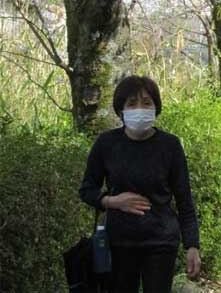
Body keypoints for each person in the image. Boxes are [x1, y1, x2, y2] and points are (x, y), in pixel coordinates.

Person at [79, 75, 201, 293]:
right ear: (121, 110)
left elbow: (185, 201)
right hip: (118, 243)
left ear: (156, 107)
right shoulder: (106, 143)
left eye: (147, 103)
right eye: (132, 103)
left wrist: (192, 245)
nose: (140, 109)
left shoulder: (170, 145)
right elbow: (87, 189)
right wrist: (112, 201)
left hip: (161, 242)